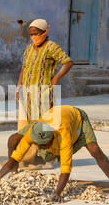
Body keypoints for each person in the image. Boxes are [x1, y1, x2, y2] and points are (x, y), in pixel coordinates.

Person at [0, 105, 109, 201]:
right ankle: (13, 170)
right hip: (46, 122)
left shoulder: (64, 135)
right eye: (38, 145)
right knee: (13, 139)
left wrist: (57, 192)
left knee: (94, 149)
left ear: (51, 139)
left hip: (77, 119)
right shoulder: (33, 132)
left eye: (43, 145)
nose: (40, 148)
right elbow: (13, 158)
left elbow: (66, 169)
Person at [16, 19, 74, 169]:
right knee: (30, 126)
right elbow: (24, 68)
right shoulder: (29, 49)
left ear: (45, 32)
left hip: (43, 94)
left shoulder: (51, 47)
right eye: (32, 34)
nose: (34, 37)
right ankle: (34, 156)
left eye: (37, 34)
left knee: (46, 126)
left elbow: (67, 62)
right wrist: (18, 87)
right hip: (28, 94)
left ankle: (51, 158)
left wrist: (56, 78)